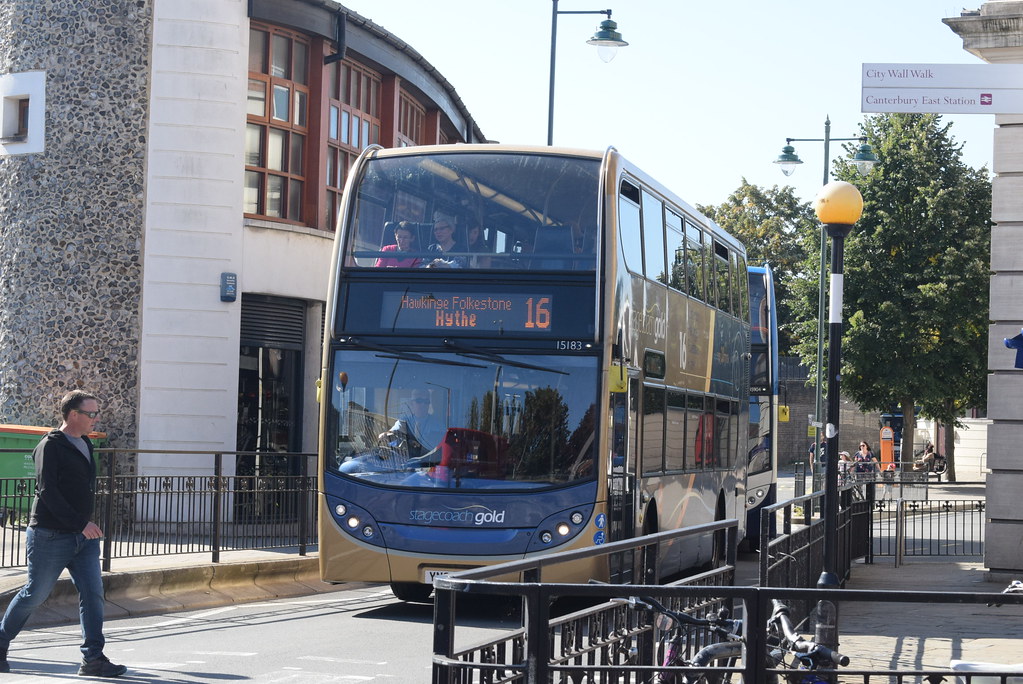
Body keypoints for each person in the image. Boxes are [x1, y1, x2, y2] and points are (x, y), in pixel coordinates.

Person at [0, 390, 127, 677]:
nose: (97, 419)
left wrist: (84, 526)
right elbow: (48, 493)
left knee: (93, 594)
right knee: (35, 594)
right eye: (92, 414)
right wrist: (80, 524)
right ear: (74, 415)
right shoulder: (50, 445)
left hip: (82, 539)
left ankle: (93, 659)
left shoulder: (84, 443)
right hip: (50, 535)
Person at [380, 389, 447, 459]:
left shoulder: (437, 425)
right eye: (419, 401)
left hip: (429, 463)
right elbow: (392, 436)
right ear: (412, 403)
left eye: (426, 402)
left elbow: (442, 447)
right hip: (407, 463)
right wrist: (386, 436)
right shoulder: (404, 421)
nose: (423, 405)